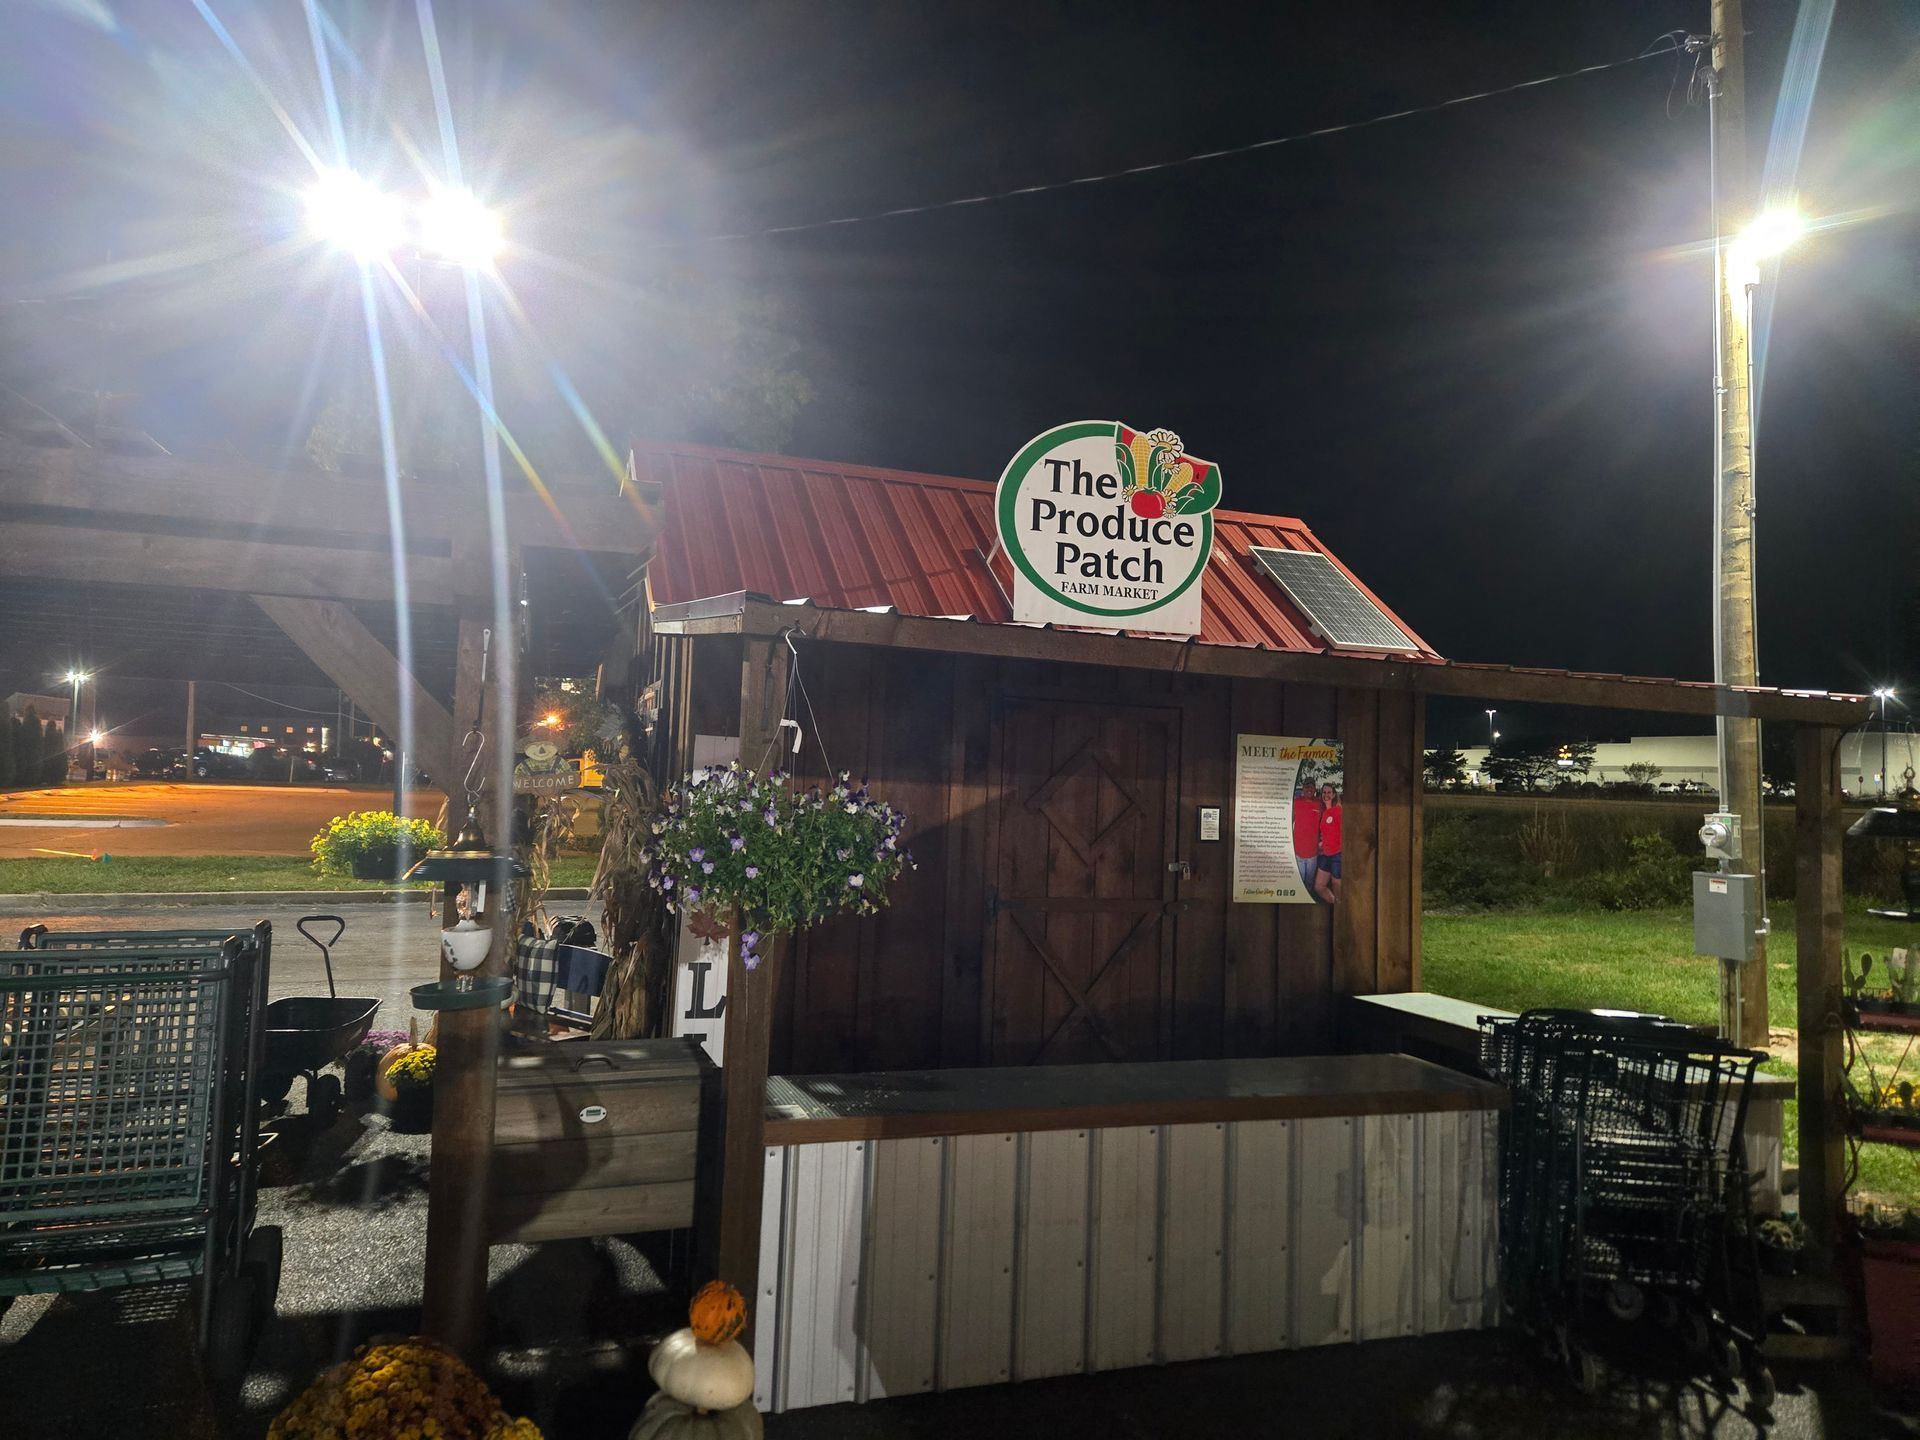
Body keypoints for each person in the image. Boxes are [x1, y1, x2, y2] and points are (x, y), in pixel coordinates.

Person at [1313, 782, 1343, 903]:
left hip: (1337, 855)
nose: (1326, 795)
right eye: (1324, 792)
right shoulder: (1324, 812)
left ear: (1334, 795)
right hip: (1325, 854)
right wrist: (1321, 844)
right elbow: (1326, 833)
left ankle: (1340, 909)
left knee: (1337, 886)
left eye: (1329, 792)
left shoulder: (1339, 810)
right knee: (1319, 887)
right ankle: (1334, 903)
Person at [1291, 786, 1322, 895]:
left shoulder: (1319, 804)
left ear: (1315, 790)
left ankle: (1307, 898)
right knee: (1300, 879)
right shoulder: (1296, 802)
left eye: (1312, 787)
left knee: (1309, 881)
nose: (1309, 789)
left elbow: (1323, 824)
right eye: (1307, 786)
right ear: (1303, 789)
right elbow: (1289, 821)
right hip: (1298, 850)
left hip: (1313, 852)